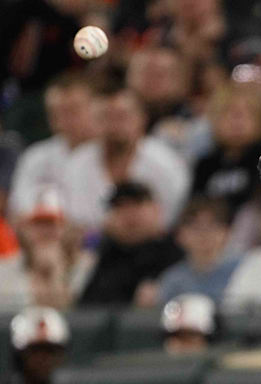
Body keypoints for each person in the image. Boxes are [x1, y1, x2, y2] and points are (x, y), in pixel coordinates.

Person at [60, 88, 191, 230]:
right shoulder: (77, 164)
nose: (114, 125)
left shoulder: (167, 164)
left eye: (122, 117)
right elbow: (74, 222)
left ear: (142, 119)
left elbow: (173, 221)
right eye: (105, 118)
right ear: (93, 122)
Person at [8, 73, 101, 218]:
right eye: (56, 112)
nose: (63, 120)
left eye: (72, 110)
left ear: (95, 107)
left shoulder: (111, 153)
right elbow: (19, 207)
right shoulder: (36, 156)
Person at [78, 182, 184, 306]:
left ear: (156, 209)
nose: (129, 214)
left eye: (137, 204)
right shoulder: (98, 254)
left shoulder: (176, 250)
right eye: (120, 206)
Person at [0, 190, 95, 312]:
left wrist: (57, 271)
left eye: (52, 224)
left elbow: (69, 316)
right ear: (23, 230)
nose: (45, 231)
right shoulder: (6, 268)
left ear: (66, 229)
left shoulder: (85, 266)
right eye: (37, 224)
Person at [191, 83, 261, 219]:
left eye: (246, 113)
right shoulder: (204, 165)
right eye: (229, 113)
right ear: (214, 119)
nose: (237, 122)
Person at [155, 198, 240, 306]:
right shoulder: (172, 280)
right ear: (180, 235)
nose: (204, 235)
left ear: (226, 232)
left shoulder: (242, 269)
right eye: (195, 228)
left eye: (212, 226)